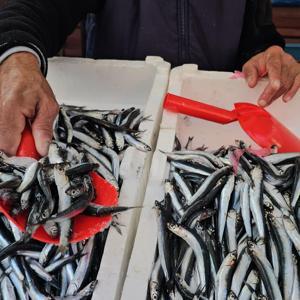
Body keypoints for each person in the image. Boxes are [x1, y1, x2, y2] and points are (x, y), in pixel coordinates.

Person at [0, 0, 299, 156]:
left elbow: (257, 31)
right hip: (121, 120)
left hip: (209, 124)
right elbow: (38, 7)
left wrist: (268, 51)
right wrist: (17, 58)